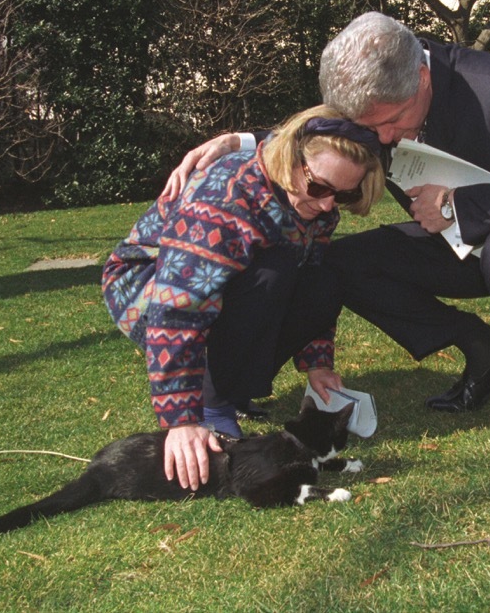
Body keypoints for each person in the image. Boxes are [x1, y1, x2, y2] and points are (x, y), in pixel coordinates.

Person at [165, 12, 490, 445]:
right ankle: (486, 348)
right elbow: (323, 138)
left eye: (392, 122)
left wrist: (452, 204)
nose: (381, 139)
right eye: (369, 126)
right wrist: (240, 141)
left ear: (421, 79)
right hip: (459, 242)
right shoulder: (377, 100)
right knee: (340, 264)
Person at [104, 104, 384, 491]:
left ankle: (228, 385)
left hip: (231, 286)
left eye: (344, 193)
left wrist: (317, 362)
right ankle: (212, 400)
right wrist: (181, 419)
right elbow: (178, 308)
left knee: (326, 276)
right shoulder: (222, 200)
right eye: (320, 188)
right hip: (151, 292)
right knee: (272, 271)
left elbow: (312, 280)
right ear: (291, 159)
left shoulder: (317, 201)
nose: (327, 205)